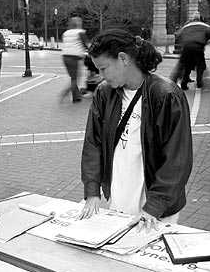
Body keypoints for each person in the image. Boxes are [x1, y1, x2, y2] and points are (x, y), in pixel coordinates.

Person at [79, 29, 193, 231]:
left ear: (123, 58)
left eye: (103, 68)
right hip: (118, 197)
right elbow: (93, 143)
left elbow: (177, 158)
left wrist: (153, 207)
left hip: (157, 209)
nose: (100, 75)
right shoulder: (105, 93)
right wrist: (92, 191)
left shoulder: (166, 95)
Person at [169, 15, 210, 90]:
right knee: (201, 65)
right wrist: (206, 40)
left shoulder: (186, 26)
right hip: (198, 47)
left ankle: (179, 83)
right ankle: (199, 82)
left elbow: (178, 35)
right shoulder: (205, 26)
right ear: (200, 19)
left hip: (186, 47)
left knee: (185, 65)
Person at [60, 16, 88, 103]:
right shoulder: (80, 32)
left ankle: (76, 97)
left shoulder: (66, 33)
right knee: (76, 78)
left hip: (65, 57)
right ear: (78, 24)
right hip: (74, 58)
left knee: (73, 77)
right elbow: (85, 45)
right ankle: (65, 92)